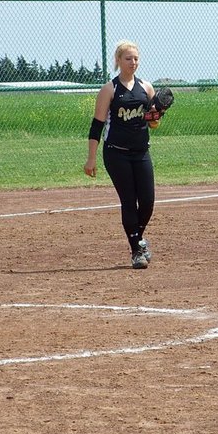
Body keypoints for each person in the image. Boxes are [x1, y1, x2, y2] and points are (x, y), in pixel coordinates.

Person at [84, 40, 158, 269]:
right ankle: (137, 251)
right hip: (116, 153)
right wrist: (91, 157)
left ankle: (139, 241)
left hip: (141, 152)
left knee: (147, 201)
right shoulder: (110, 89)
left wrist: (157, 115)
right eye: (128, 58)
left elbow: (153, 125)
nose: (133, 62)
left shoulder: (146, 87)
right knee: (129, 201)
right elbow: (97, 125)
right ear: (118, 61)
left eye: (135, 58)